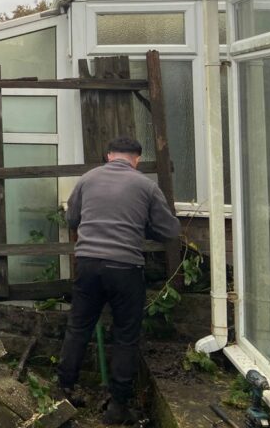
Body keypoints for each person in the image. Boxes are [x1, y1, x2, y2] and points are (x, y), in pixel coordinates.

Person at [55, 137, 181, 424]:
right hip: (125, 268)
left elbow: (73, 220)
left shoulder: (87, 179)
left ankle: (62, 391)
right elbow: (170, 229)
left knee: (77, 328)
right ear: (136, 159)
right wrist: (143, 227)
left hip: (87, 264)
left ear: (109, 156)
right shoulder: (146, 185)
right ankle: (117, 407)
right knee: (126, 336)